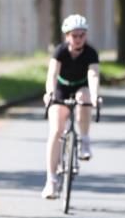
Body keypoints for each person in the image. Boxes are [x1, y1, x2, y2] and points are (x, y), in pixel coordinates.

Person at [41, 14, 100, 199]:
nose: (78, 39)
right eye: (74, 35)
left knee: (84, 98)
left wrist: (95, 96)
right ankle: (51, 181)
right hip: (62, 88)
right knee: (56, 130)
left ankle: (84, 140)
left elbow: (93, 75)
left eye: (82, 35)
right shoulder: (60, 51)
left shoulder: (90, 52)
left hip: (81, 87)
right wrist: (50, 93)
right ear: (67, 36)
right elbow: (52, 74)